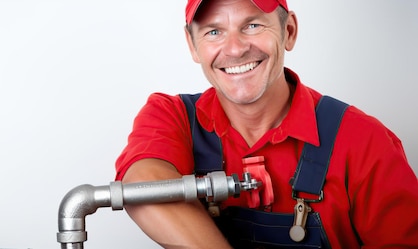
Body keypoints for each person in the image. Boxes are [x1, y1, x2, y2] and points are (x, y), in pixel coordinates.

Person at [114, 0, 418, 248]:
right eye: (214, 32)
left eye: (252, 25)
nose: (234, 48)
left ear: (289, 31)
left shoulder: (363, 140)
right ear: (192, 45)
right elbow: (144, 188)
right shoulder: (171, 116)